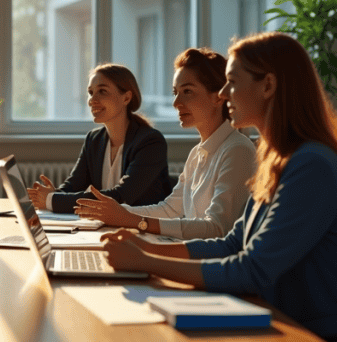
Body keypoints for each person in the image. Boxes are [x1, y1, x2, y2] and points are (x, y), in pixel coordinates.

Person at [102, 32, 337, 342]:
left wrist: (146, 262)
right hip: (286, 324)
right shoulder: (279, 158)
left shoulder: (311, 164)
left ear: (268, 86)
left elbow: (252, 270)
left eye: (232, 82)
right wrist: (147, 247)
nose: (223, 93)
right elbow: (232, 243)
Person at [74, 49, 256, 239]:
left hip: (206, 264)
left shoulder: (237, 150)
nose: (176, 102)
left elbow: (217, 229)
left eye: (187, 92)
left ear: (218, 96)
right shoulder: (197, 153)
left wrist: (133, 220)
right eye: (175, 92)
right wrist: (117, 212)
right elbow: (169, 209)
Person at [28, 64, 173, 214]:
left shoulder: (151, 142)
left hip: (143, 231)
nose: (92, 100)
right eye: (91, 92)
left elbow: (120, 197)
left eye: (102, 91)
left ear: (126, 98)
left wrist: (52, 199)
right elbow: (73, 186)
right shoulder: (94, 139)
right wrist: (54, 195)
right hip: (107, 227)